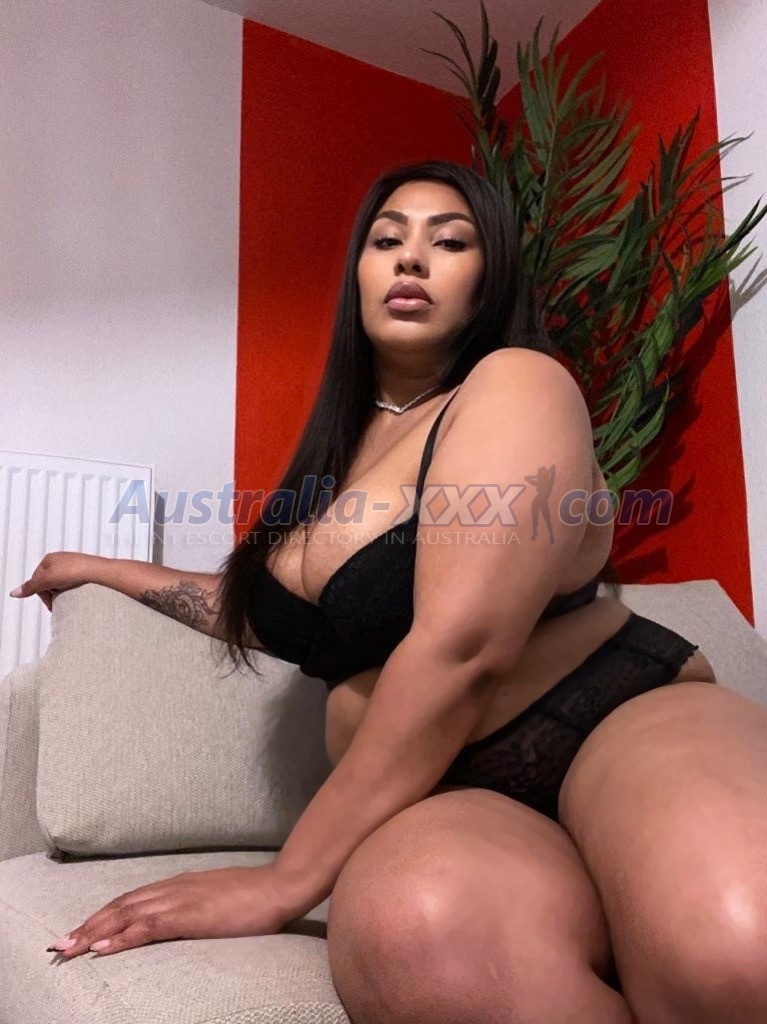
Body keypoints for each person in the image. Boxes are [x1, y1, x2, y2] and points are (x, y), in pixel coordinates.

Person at [11, 160, 767, 1023]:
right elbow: (258, 614)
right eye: (385, 240)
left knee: (730, 946)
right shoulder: (336, 462)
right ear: (360, 274)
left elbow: (462, 646)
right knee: (425, 940)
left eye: (449, 241)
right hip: (443, 791)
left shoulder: (515, 384)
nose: (410, 258)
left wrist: (283, 881)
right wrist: (104, 569)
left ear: (488, 278)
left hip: (610, 715)